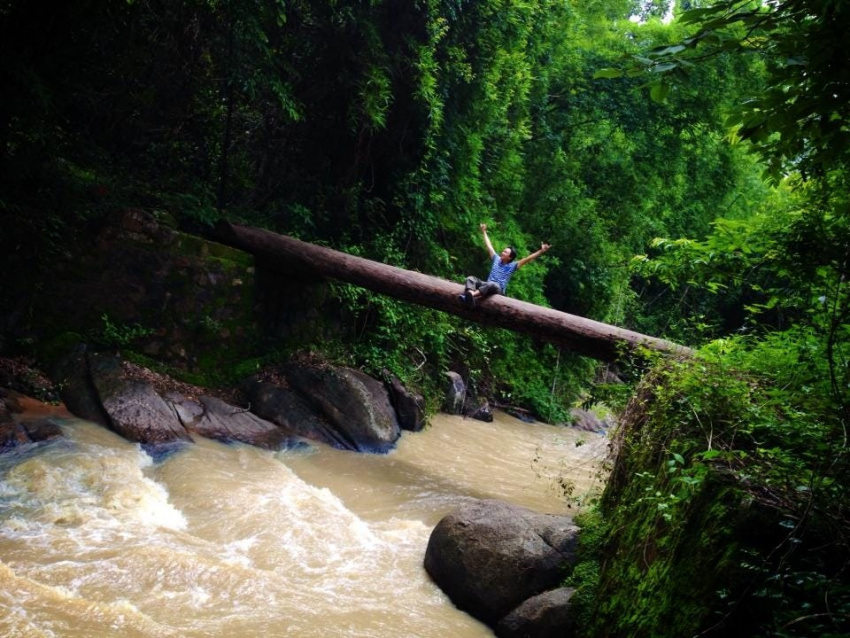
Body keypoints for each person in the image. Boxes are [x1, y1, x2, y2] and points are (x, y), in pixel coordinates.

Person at [459, 223, 551, 308]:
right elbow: (489, 246)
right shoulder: (496, 259)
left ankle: (471, 295)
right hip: (487, 285)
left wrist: (541, 251)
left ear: (510, 257)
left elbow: (528, 259)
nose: (502, 252)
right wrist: (484, 232)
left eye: (505, 252)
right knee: (471, 278)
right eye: (503, 251)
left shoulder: (512, 266)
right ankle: (469, 298)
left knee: (492, 284)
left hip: (498, 289)